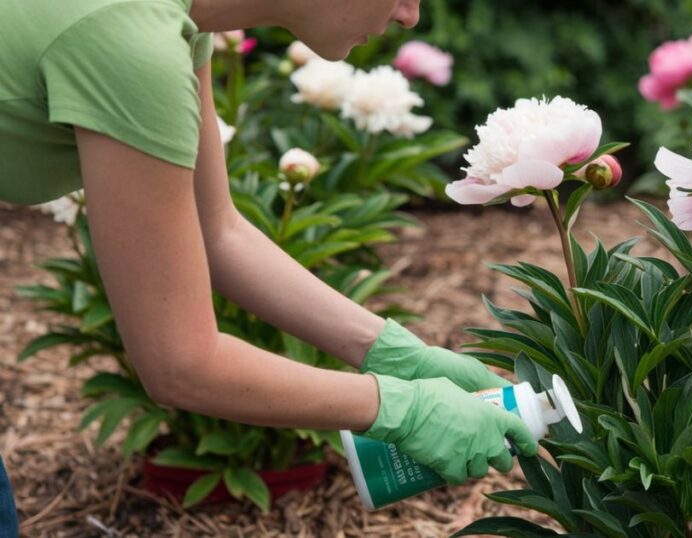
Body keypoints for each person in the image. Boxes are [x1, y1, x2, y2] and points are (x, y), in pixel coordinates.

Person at [0, 0, 538, 528]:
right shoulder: (130, 43)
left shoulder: (182, 22)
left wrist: (394, 354)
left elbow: (219, 230)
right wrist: (399, 409)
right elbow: (180, 364)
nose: (410, 15)